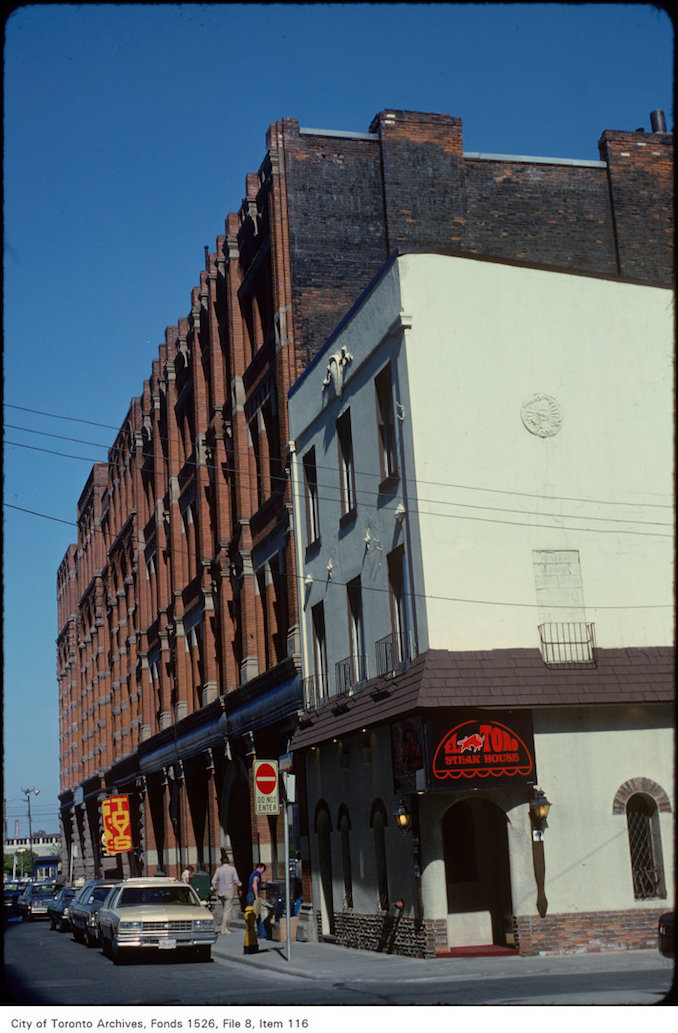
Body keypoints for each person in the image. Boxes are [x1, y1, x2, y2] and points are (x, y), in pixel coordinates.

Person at [210, 852, 242, 935]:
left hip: (221, 892)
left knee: (225, 909)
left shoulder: (218, 869)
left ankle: (224, 928)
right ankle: (224, 929)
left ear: (221, 862)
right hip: (229, 891)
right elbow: (236, 880)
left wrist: (215, 889)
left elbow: (213, 881)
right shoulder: (232, 869)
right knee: (227, 911)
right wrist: (240, 886)